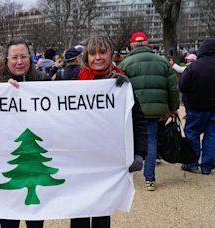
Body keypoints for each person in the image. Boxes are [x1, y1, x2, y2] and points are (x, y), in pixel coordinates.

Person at [74, 35, 147, 228]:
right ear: (86, 57)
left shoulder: (123, 83)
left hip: (107, 159)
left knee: (102, 211)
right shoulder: (75, 80)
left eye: (102, 52)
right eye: (92, 53)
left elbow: (138, 119)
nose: (97, 57)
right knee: (79, 209)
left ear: (110, 54)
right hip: (81, 157)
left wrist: (139, 153)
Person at [118, 32, 179, 191]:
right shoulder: (163, 62)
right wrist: (173, 108)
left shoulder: (126, 63)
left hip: (134, 109)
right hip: (155, 109)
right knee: (151, 140)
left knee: (130, 139)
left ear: (132, 46)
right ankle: (149, 179)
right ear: (147, 44)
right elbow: (173, 88)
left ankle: (126, 172)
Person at [0, 39, 42, 228]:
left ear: (30, 58)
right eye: (14, 57)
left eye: (23, 56)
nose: (19, 61)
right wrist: (1, 90)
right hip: (6, 161)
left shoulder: (43, 82)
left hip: (36, 162)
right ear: (7, 60)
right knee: (8, 221)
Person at [179, 38, 215, 175]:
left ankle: (191, 163)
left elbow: (182, 85)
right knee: (212, 136)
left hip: (196, 106)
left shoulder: (194, 66)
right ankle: (207, 166)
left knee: (192, 134)